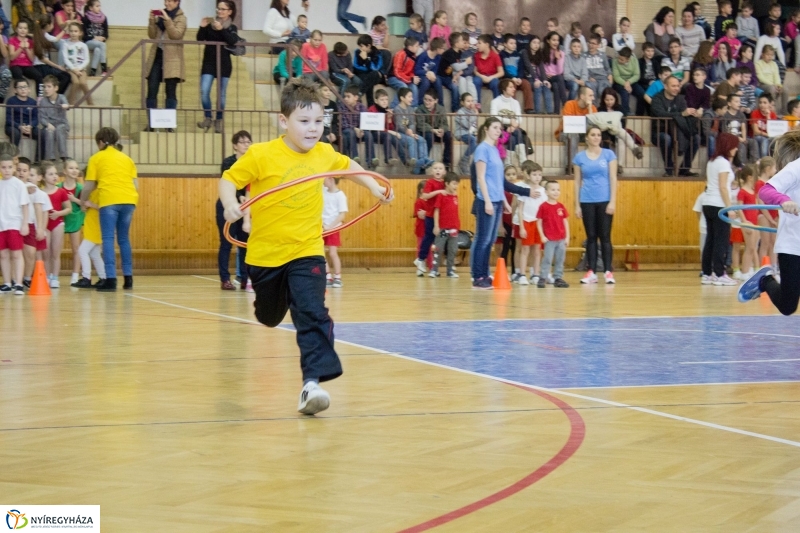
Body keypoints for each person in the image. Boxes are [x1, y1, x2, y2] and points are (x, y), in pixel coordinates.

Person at [218, 78, 391, 415]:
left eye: (318, 121)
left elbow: (350, 166)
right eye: (304, 121)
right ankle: (275, 306)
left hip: (307, 249)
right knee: (269, 317)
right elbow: (229, 180)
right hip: (266, 256)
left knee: (312, 311)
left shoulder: (324, 152)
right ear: (283, 121)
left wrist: (373, 187)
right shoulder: (261, 154)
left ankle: (312, 383)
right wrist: (229, 205)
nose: (313, 129)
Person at [739, 130, 800, 313]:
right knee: (788, 306)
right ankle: (764, 280)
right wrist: (784, 201)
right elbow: (765, 191)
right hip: (793, 245)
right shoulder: (796, 167)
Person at [79, 127, 138, 291]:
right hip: (129, 199)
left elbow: (89, 185)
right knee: (124, 239)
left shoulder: (96, 158)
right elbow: (135, 184)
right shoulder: (127, 159)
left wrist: (83, 201)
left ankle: (110, 279)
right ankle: (128, 279)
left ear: (99, 142)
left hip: (109, 200)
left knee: (107, 239)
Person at [573, 124, 617, 285]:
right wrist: (577, 205)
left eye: (598, 135)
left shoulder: (608, 155)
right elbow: (577, 182)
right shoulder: (579, 158)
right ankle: (591, 271)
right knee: (591, 237)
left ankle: (608, 271)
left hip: (604, 200)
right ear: (587, 137)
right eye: (593, 134)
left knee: (605, 237)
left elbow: (613, 178)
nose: (596, 137)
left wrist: (613, 201)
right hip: (587, 200)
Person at [471, 117, 512, 289]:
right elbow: (481, 177)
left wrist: (504, 201)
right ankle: (478, 276)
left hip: (496, 200)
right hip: (486, 200)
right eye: (495, 127)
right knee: (483, 238)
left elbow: (498, 179)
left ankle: (485, 272)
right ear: (486, 129)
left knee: (491, 239)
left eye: (500, 128)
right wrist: (487, 201)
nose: (498, 131)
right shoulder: (482, 149)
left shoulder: (495, 150)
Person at [701, 132, 740, 286]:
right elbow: (723, 187)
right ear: (728, 146)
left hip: (708, 204)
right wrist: (729, 208)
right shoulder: (723, 163)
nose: (736, 149)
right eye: (734, 146)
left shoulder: (712, 161)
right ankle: (719, 274)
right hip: (719, 205)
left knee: (710, 239)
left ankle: (707, 273)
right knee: (721, 241)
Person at [196, 0, 239, 134]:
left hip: (224, 63)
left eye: (223, 9)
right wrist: (202, 27)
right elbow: (200, 39)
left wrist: (222, 30)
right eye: (218, 9)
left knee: (221, 95)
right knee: (204, 91)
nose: (220, 11)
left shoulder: (231, 27)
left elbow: (232, 41)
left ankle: (219, 120)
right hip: (209, 62)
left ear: (229, 12)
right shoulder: (211, 24)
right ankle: (208, 117)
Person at [215, 130, 250, 290]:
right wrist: (237, 197)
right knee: (226, 243)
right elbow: (228, 182)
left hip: (245, 207)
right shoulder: (228, 162)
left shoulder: (252, 163)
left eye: (248, 142)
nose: (246, 145)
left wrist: (245, 198)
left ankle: (244, 278)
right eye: (242, 142)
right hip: (227, 205)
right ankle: (225, 279)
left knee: (244, 243)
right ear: (235, 145)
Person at [145, 0, 186, 128]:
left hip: (173, 58)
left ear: (177, 2)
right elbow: (152, 36)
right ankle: (151, 123)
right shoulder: (161, 16)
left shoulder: (181, 18)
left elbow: (176, 35)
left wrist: (167, 20)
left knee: (170, 91)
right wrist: (152, 21)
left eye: (170, 1)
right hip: (157, 55)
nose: (167, 4)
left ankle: (169, 124)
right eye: (166, 1)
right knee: (152, 90)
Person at [650, 76, 701, 176]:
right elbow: (660, 114)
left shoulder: (681, 99)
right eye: (673, 86)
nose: (677, 88)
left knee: (696, 138)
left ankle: (684, 169)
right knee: (666, 138)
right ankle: (669, 170)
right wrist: (680, 114)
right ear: (665, 86)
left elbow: (685, 115)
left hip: (679, 130)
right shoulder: (657, 98)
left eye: (678, 86)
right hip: (660, 131)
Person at [0, 152, 29, 295]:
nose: (6, 170)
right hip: (1, 225)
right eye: (3, 167)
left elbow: (25, 206)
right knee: (3, 255)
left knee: (17, 254)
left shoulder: (19, 185)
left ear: (14, 168)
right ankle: (7, 283)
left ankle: (18, 283)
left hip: (14, 224)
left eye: (9, 167)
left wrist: (24, 224)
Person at [513, 160, 545, 285]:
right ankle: (522, 274)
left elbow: (544, 209)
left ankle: (535, 274)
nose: (537, 177)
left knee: (537, 250)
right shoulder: (524, 190)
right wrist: (521, 227)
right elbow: (520, 210)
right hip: (526, 222)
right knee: (524, 250)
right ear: (528, 175)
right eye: (534, 174)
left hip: (538, 223)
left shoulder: (543, 191)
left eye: (539, 175)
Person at [412, 161, 445, 275]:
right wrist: (439, 191)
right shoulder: (430, 183)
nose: (437, 170)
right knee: (428, 238)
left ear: (444, 171)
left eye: (440, 168)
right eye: (435, 168)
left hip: (441, 217)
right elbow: (425, 195)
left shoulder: (445, 183)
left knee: (438, 242)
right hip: (431, 215)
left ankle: (435, 267)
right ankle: (421, 259)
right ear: (431, 171)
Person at [536, 180, 570, 288]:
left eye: (558, 190)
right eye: (553, 189)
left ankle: (558, 278)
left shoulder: (561, 206)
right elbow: (539, 222)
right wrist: (542, 235)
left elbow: (565, 222)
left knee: (560, 259)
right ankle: (543, 277)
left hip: (561, 239)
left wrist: (567, 237)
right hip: (549, 239)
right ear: (546, 192)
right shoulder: (543, 206)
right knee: (547, 259)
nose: (556, 192)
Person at [21, 162, 49, 288]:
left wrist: (41, 228)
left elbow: (43, 211)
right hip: (21, 224)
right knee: (20, 253)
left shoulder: (38, 192)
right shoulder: (22, 187)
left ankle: (32, 277)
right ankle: (18, 278)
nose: (29, 176)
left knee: (34, 253)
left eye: (32, 174)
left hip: (33, 226)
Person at [40, 160, 67, 287]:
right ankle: (46, 275)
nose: (55, 176)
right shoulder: (40, 193)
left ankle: (55, 277)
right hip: (45, 224)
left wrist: (58, 213)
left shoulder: (61, 191)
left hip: (57, 223)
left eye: (55, 173)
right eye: (50, 174)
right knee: (46, 253)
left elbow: (69, 209)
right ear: (44, 177)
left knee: (56, 252)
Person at [392, 87, 432, 174]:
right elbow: (399, 125)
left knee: (422, 140)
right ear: (402, 98)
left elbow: (413, 122)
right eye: (409, 97)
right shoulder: (397, 109)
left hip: (410, 133)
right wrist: (408, 132)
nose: (412, 99)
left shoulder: (410, 109)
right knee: (411, 141)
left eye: (412, 97)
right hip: (400, 134)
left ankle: (423, 160)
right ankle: (415, 165)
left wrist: (410, 130)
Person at [557, 86, 597, 170]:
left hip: (584, 133)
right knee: (573, 134)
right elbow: (567, 124)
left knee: (594, 136)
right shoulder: (570, 104)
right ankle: (571, 166)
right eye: (590, 95)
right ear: (582, 96)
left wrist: (589, 109)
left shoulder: (592, 108)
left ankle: (592, 166)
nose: (593, 98)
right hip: (565, 133)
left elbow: (593, 127)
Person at [430, 172, 460, 278]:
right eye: (454, 184)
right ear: (447, 184)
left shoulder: (455, 196)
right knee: (438, 248)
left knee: (452, 249)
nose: (456, 186)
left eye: (457, 184)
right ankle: (434, 270)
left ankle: (450, 270)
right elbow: (436, 211)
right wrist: (436, 225)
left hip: (454, 228)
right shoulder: (441, 196)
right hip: (442, 228)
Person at [339, 84, 376, 169]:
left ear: (356, 97)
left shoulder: (362, 107)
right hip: (347, 131)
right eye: (345, 97)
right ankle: (354, 157)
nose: (345, 99)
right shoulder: (342, 107)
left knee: (368, 134)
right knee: (350, 132)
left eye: (348, 97)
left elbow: (365, 121)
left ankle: (371, 160)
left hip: (359, 131)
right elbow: (343, 124)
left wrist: (361, 130)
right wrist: (355, 129)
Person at [59, 158, 82, 284]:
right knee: (55, 248)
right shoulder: (58, 187)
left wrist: (74, 199)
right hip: (60, 218)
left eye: (76, 168)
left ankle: (75, 275)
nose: (74, 170)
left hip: (75, 219)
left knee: (76, 248)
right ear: (65, 171)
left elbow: (84, 204)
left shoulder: (80, 187)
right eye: (71, 168)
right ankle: (52, 275)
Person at [416, 89, 451, 170]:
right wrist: (432, 130)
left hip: (438, 132)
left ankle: (446, 162)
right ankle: (424, 162)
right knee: (429, 136)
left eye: (430, 100)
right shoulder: (419, 109)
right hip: (426, 132)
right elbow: (420, 125)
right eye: (425, 99)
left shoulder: (441, 109)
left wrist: (442, 130)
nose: (427, 102)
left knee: (449, 135)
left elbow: (445, 124)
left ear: (436, 101)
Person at [322, 176, 347, 288]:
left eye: (325, 179)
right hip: (322, 227)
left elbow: (342, 215)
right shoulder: (323, 192)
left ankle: (337, 277)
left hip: (333, 228)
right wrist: (323, 225)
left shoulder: (340, 196)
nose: (323, 181)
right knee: (320, 253)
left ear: (331, 179)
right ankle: (327, 276)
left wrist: (330, 227)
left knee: (332, 253)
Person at [736, 164, 760, 280]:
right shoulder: (742, 191)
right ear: (750, 177)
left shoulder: (752, 191)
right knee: (749, 248)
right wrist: (744, 222)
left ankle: (748, 269)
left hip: (754, 222)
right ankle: (745, 272)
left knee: (752, 247)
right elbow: (739, 208)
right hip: (747, 222)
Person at [38, 74, 68, 160]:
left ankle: (63, 156)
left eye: (49, 86)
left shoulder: (61, 97)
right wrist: (47, 124)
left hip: (61, 123)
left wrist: (65, 106)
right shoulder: (43, 101)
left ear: (56, 88)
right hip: (49, 124)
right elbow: (42, 117)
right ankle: (51, 157)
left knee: (59, 129)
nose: (46, 89)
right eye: (44, 87)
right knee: (49, 131)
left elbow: (66, 104)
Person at [521, 36, 554, 114]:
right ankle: (538, 111)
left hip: (538, 78)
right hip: (528, 77)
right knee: (538, 87)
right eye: (534, 42)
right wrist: (536, 79)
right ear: (530, 43)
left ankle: (550, 112)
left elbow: (542, 68)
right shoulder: (525, 52)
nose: (536, 45)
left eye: (538, 43)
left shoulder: (539, 54)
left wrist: (545, 80)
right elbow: (528, 66)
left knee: (546, 86)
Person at [755, 156, 778, 265]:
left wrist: (776, 218)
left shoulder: (772, 183)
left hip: (774, 214)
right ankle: (763, 268)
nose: (775, 170)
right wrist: (770, 219)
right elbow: (761, 204)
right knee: (765, 242)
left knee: (774, 243)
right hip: (764, 215)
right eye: (774, 168)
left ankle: (774, 268)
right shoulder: (759, 183)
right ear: (768, 168)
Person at [60, 22, 91, 104]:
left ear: (80, 33)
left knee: (83, 83)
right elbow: (66, 59)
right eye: (71, 31)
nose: (73, 33)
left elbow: (87, 59)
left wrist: (79, 69)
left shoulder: (83, 45)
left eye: (75, 31)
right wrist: (73, 69)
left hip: (81, 69)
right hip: (70, 69)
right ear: (68, 32)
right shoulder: (65, 44)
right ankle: (71, 102)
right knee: (76, 82)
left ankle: (90, 103)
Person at [352, 33, 383, 107]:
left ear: (368, 46)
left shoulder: (377, 54)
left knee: (373, 74)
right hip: (362, 75)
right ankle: (371, 106)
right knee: (369, 81)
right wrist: (367, 68)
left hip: (375, 76)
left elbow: (375, 68)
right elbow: (356, 66)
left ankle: (360, 93)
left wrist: (366, 60)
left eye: (361, 46)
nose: (360, 48)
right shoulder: (357, 52)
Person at [5, 79, 37, 150]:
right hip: (13, 126)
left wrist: (30, 126)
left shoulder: (33, 102)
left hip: (28, 127)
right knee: (15, 133)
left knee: (42, 133)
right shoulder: (11, 101)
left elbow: (35, 118)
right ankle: (13, 157)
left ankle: (38, 160)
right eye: (20, 87)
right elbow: (8, 119)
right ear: (15, 90)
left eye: (25, 87)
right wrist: (19, 126)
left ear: (29, 89)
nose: (23, 89)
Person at [539, 31, 567, 112]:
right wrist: (545, 74)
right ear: (548, 41)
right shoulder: (542, 52)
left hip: (556, 77)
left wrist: (558, 59)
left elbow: (560, 71)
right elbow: (539, 68)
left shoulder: (561, 53)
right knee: (559, 79)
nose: (556, 42)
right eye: (553, 40)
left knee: (555, 85)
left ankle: (556, 112)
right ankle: (566, 104)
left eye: (557, 40)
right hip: (546, 77)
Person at [388, 37, 419, 106]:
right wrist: (410, 79)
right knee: (403, 86)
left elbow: (411, 72)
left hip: (405, 78)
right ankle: (393, 108)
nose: (418, 48)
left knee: (414, 87)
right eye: (416, 46)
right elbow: (397, 72)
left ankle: (413, 109)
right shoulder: (400, 54)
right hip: (393, 77)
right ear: (410, 47)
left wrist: (413, 78)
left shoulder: (414, 57)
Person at [612, 47, 642, 116]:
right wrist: (625, 84)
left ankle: (639, 115)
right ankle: (626, 113)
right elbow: (616, 77)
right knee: (624, 92)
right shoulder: (615, 61)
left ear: (628, 59)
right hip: (619, 82)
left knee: (641, 93)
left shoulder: (634, 60)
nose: (619, 60)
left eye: (622, 60)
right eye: (619, 58)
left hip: (631, 81)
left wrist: (628, 82)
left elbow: (637, 75)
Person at [473, 33, 503, 99]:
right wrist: (481, 76)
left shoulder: (495, 56)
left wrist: (490, 78)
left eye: (479, 43)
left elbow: (501, 72)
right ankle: (477, 106)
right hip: (480, 76)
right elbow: (475, 70)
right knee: (476, 81)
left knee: (496, 83)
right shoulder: (477, 55)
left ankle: (497, 106)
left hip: (492, 77)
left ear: (486, 45)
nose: (477, 45)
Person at [414, 36, 443, 104]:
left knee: (438, 81)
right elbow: (417, 70)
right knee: (426, 82)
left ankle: (440, 104)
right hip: (421, 75)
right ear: (437, 49)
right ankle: (420, 103)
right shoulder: (423, 55)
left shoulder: (438, 57)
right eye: (442, 49)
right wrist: (427, 73)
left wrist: (433, 75)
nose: (443, 50)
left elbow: (435, 70)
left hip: (430, 75)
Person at [454, 92, 477, 175]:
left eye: (472, 101)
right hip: (461, 133)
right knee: (473, 140)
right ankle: (464, 160)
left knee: (477, 140)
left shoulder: (472, 112)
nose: (470, 103)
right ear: (462, 102)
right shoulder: (460, 112)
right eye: (468, 101)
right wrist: (475, 115)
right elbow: (467, 125)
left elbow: (473, 126)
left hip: (470, 134)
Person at [83, 0, 107, 76]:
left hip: (99, 42)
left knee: (97, 50)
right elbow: (84, 36)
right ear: (90, 8)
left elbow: (106, 34)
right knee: (102, 45)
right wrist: (95, 37)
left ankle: (93, 72)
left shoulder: (104, 18)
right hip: (88, 42)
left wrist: (103, 38)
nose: (99, 8)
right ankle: (104, 69)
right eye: (97, 6)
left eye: (99, 6)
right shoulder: (85, 18)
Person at [585, 34, 613, 99]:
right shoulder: (583, 56)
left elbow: (607, 68)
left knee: (603, 91)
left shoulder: (602, 54)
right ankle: (593, 108)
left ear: (598, 45)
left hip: (603, 78)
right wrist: (588, 77)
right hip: (591, 79)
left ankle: (603, 108)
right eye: (589, 43)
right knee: (591, 92)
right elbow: (582, 70)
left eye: (593, 43)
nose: (590, 45)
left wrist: (610, 74)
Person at [751, 93, 776, 157]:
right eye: (760, 102)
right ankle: (763, 160)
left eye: (765, 103)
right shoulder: (755, 113)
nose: (762, 105)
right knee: (765, 140)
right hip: (758, 136)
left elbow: (772, 131)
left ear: (770, 104)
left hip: (769, 137)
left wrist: (768, 117)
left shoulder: (773, 115)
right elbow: (756, 131)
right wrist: (767, 135)